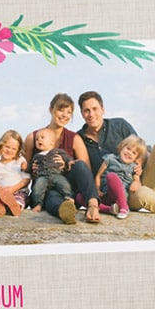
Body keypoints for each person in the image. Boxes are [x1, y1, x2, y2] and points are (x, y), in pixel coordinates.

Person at [76, 91, 155, 212]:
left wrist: (140, 165)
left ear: (102, 109)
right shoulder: (78, 139)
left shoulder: (120, 125)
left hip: (142, 178)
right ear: (82, 114)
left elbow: (142, 150)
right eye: (86, 110)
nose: (91, 114)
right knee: (143, 195)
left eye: (95, 109)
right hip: (125, 193)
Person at [22, 93, 100, 224]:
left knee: (80, 164)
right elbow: (23, 169)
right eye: (61, 110)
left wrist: (67, 165)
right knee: (51, 196)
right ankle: (65, 212)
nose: (65, 115)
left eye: (69, 112)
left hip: (67, 188)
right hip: (44, 189)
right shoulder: (33, 137)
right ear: (51, 110)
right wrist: (32, 170)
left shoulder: (74, 138)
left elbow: (86, 170)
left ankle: (93, 205)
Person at [94, 135, 153, 219]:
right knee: (80, 197)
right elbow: (98, 175)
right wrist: (97, 189)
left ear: (136, 158)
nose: (129, 153)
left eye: (134, 153)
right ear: (122, 147)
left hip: (121, 196)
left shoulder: (134, 167)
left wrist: (136, 182)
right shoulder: (110, 158)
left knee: (111, 176)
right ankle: (110, 209)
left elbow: (136, 182)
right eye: (128, 149)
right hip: (105, 194)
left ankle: (123, 207)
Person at [29, 127, 74, 213]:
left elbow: (67, 157)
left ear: (52, 142)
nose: (39, 140)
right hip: (43, 176)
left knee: (64, 184)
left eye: (42, 137)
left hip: (56, 174)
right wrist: (28, 167)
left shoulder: (57, 152)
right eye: (37, 139)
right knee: (37, 188)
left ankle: (69, 197)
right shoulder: (37, 156)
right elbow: (31, 166)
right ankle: (38, 204)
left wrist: (70, 161)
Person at [0, 129, 30, 217]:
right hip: (2, 194)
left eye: (13, 149)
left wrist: (12, 189)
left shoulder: (20, 161)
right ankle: (1, 206)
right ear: (1, 146)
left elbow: (26, 180)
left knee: (19, 200)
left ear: (18, 151)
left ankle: (15, 206)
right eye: (7, 147)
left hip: (18, 191)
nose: (9, 150)